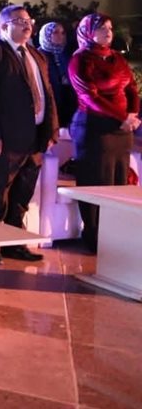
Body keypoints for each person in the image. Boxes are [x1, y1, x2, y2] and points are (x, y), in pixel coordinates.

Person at [0, 5, 58, 264]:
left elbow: (47, 93)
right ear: (3, 26)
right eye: (19, 21)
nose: (26, 25)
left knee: (22, 194)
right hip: (5, 138)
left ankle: (14, 243)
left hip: (35, 137)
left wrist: (51, 130)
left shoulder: (36, 54)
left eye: (28, 20)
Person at [68, 13, 141, 252]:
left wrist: (133, 114)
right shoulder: (80, 59)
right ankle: (93, 234)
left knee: (119, 181)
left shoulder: (116, 57)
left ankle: (115, 234)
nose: (108, 32)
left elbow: (131, 88)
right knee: (97, 181)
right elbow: (89, 97)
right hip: (95, 128)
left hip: (122, 131)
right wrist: (122, 118)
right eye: (101, 28)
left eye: (109, 28)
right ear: (88, 32)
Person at [38, 22, 77, 129]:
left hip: (67, 98)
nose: (60, 36)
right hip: (50, 99)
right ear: (47, 35)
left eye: (63, 33)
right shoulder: (39, 55)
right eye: (55, 32)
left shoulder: (66, 53)